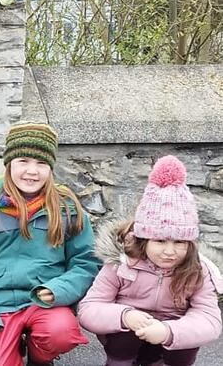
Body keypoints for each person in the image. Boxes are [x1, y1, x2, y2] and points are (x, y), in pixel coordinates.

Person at [0, 122, 100, 366]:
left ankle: (39, 357)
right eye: (23, 161)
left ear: (51, 168)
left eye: (41, 163)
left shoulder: (68, 210)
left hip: (45, 302)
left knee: (61, 333)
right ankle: (9, 346)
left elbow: (85, 263)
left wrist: (58, 290)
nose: (32, 171)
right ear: (9, 163)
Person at [78, 155, 223, 366]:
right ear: (143, 239)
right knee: (124, 337)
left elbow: (209, 320)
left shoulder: (198, 270)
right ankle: (120, 362)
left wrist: (169, 332)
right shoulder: (121, 263)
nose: (169, 251)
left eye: (180, 242)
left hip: (171, 340)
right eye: (160, 240)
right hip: (128, 336)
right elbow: (89, 308)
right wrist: (124, 316)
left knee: (188, 339)